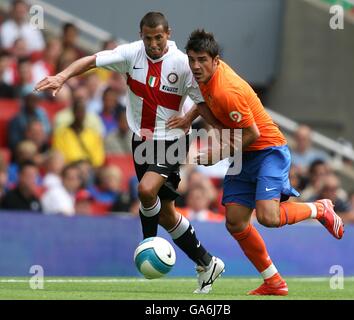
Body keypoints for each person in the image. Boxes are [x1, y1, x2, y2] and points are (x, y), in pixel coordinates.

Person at [34, 12, 224, 293]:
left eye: (159, 37)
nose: (154, 43)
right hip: (140, 140)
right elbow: (91, 60)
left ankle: (147, 246)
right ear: (141, 35)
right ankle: (207, 262)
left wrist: (191, 121)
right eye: (148, 38)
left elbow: (203, 99)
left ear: (168, 34)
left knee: (146, 191)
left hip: (171, 140)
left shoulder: (183, 64)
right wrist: (62, 76)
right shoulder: (130, 54)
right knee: (166, 214)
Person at [179, 29, 344, 296]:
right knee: (234, 221)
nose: (196, 66)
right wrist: (188, 119)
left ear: (216, 61)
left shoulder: (226, 90)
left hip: (267, 149)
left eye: (202, 60)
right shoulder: (203, 77)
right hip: (244, 152)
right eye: (192, 60)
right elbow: (203, 102)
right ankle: (274, 282)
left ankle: (319, 209)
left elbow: (252, 133)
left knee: (268, 217)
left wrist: (216, 155)